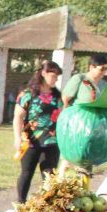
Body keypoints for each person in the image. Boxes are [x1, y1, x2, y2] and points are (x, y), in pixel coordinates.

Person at [13, 60, 63, 202]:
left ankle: (47, 210)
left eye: (57, 77)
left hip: (52, 142)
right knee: (26, 174)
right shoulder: (27, 94)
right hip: (30, 142)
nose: (55, 80)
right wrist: (17, 138)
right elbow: (18, 117)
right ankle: (21, 205)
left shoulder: (57, 96)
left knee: (49, 177)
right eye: (53, 76)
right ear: (43, 73)